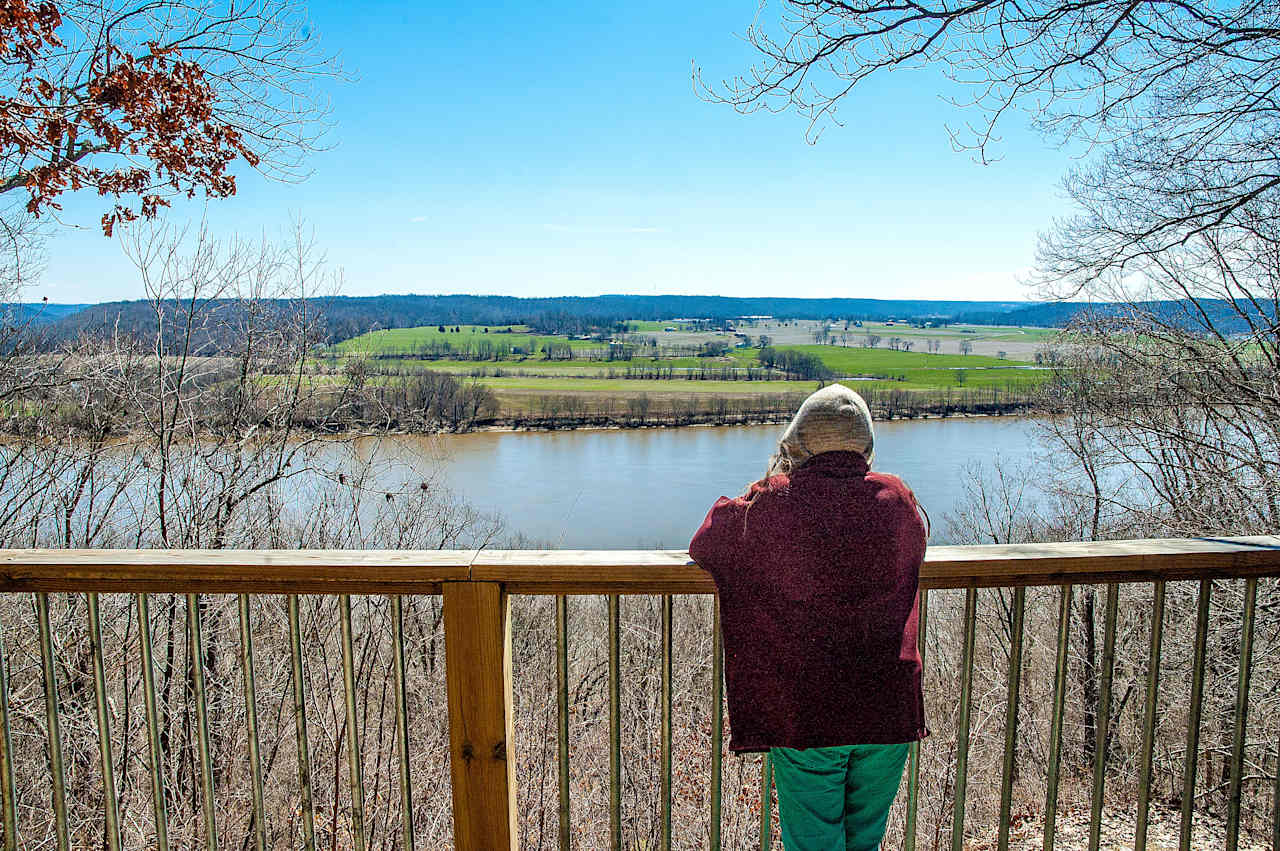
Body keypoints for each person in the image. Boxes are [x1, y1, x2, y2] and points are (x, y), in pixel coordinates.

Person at [689, 383, 928, 851]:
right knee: (865, 843)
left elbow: (707, 543)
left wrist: (766, 483)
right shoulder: (897, 499)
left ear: (796, 441)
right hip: (887, 705)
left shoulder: (773, 503)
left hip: (810, 711)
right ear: (866, 443)